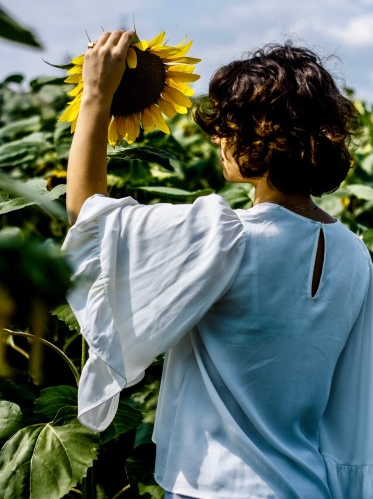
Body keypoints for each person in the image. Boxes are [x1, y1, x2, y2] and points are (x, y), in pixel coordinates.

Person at [62, 30, 373, 499]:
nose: (221, 137)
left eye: (231, 125)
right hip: (310, 486)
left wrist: (96, 97)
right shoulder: (355, 252)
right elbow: (352, 405)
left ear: (261, 137)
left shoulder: (223, 235)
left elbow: (89, 219)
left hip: (213, 487)